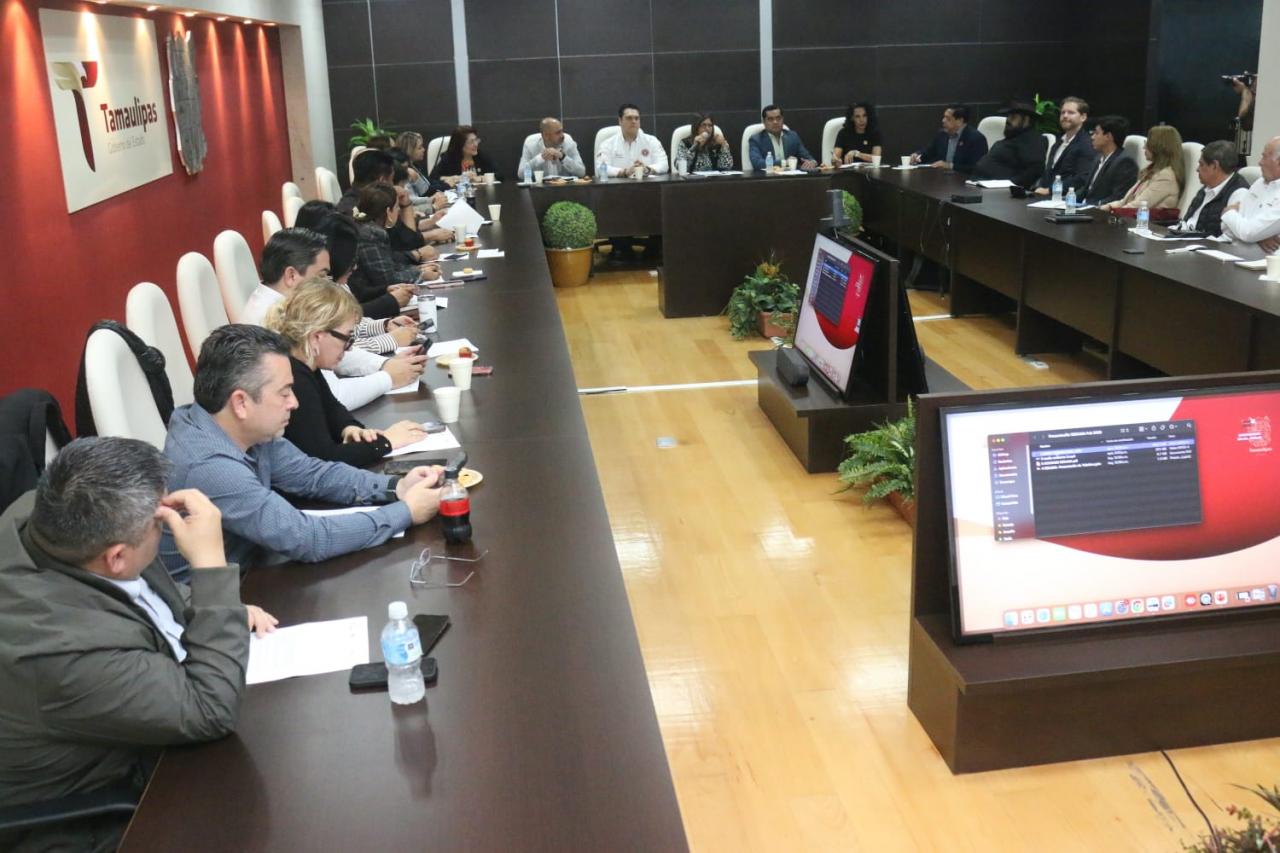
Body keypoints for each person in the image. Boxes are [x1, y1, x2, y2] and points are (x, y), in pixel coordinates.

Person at [0, 437, 275, 853]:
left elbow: (142, 593)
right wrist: (211, 568)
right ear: (116, 558)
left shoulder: (46, 514)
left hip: (132, 739)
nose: (168, 522)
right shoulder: (64, 651)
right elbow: (209, 711)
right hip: (99, 816)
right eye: (158, 524)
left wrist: (210, 604)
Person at [159, 325, 446, 582]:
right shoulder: (209, 466)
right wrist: (406, 512)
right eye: (284, 393)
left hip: (255, 568)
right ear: (241, 403)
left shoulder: (240, 426)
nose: (294, 403)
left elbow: (312, 474)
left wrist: (396, 487)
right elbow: (308, 539)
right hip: (218, 602)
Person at [239, 227, 425, 409]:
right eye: (321, 276)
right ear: (291, 275)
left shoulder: (281, 302)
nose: (328, 284)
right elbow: (334, 396)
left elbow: (336, 351)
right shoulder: (273, 320)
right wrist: (388, 377)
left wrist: (385, 364)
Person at [266, 279, 427, 466]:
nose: (349, 348)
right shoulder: (294, 379)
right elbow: (324, 459)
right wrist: (386, 442)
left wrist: (349, 428)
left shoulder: (307, 363)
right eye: (347, 338)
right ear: (317, 337)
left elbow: (334, 409)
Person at [349, 184, 431, 306]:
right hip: (366, 302)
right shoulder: (372, 234)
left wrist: (419, 269)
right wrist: (421, 274)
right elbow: (388, 280)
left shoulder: (364, 227)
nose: (398, 211)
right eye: (397, 207)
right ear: (388, 211)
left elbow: (389, 264)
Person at [1174, 140, 1250, 236]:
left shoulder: (1239, 193)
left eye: (1201, 164)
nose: (1197, 169)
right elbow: (1186, 222)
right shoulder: (1206, 188)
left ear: (1214, 166)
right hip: (1184, 238)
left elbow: (1229, 237)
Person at [1102, 125, 1185, 213]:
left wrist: (1111, 211)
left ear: (1159, 147)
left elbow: (1137, 206)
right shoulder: (1150, 171)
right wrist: (1106, 207)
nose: (1144, 147)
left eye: (1148, 143)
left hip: (1144, 220)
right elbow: (1124, 202)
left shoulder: (1166, 177)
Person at [1221, 135, 1280, 252]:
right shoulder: (1260, 182)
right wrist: (1258, 237)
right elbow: (1226, 228)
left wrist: (1228, 211)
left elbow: (1248, 233)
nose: (1260, 162)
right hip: (1232, 250)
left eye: (1264, 157)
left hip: (1261, 261)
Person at [972, 100, 1048, 187]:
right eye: (1008, 116)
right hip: (979, 183)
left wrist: (1010, 184)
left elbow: (1035, 170)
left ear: (1026, 119)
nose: (1008, 120)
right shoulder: (1013, 136)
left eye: (1013, 117)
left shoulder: (1033, 140)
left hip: (999, 189)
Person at [1034, 96, 1097, 196]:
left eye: (1071, 113)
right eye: (1062, 112)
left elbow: (1082, 178)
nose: (1065, 116)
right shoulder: (1058, 142)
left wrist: (1050, 190)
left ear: (1083, 117)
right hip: (1044, 196)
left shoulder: (1087, 144)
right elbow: (1049, 173)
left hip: (1066, 198)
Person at [911, 104, 988, 173]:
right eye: (944, 117)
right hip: (942, 178)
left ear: (960, 121)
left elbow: (977, 168)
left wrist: (950, 166)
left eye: (948, 118)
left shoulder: (976, 139)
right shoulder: (942, 134)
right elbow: (928, 152)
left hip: (964, 181)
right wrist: (917, 155)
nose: (943, 120)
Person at [597, 103, 669, 177]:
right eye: (629, 118)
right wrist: (624, 172)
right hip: (619, 184)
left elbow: (664, 164)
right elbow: (600, 168)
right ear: (620, 121)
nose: (634, 121)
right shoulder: (607, 144)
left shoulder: (652, 141)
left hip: (646, 183)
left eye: (636, 118)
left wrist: (647, 169)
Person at [1081, 115, 1139, 206]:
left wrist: (1092, 206)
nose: (1092, 137)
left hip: (1101, 211)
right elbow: (1086, 191)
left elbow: (1118, 197)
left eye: (1096, 133)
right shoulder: (1098, 157)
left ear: (1108, 136)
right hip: (1084, 207)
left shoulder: (1125, 163)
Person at [748, 104, 816, 171]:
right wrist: (784, 162)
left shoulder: (792, 136)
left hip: (790, 176)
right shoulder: (756, 140)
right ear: (764, 122)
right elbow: (757, 163)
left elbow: (808, 158)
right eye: (770, 119)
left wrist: (812, 163)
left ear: (782, 119)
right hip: (768, 176)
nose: (775, 122)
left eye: (778, 118)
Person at [429, 125, 501, 183]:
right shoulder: (449, 158)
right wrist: (457, 178)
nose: (476, 144)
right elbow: (432, 179)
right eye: (471, 142)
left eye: (476, 140)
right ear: (460, 144)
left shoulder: (481, 156)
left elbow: (500, 176)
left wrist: (481, 178)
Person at [518, 117, 586, 178]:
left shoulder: (568, 141)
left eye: (562, 131)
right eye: (558, 133)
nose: (562, 135)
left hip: (565, 187)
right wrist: (540, 158)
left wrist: (563, 157)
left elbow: (582, 172)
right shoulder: (530, 144)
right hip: (540, 187)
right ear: (546, 135)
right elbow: (521, 174)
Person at [395, 130, 451, 200]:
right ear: (409, 150)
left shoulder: (415, 165)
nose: (424, 150)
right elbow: (426, 191)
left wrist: (445, 182)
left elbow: (429, 182)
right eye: (420, 148)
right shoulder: (406, 172)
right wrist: (447, 185)